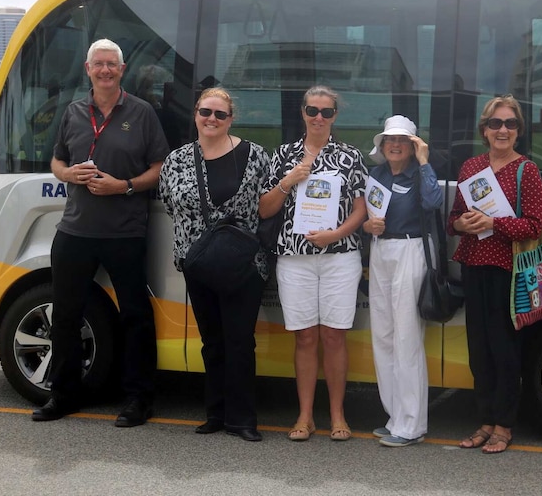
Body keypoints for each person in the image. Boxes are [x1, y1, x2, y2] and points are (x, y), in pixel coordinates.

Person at [33, 38, 170, 426]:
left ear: (122, 70)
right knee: (65, 316)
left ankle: (138, 399)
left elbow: (160, 166)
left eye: (112, 64)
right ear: (88, 69)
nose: (106, 70)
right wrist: (67, 174)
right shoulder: (74, 112)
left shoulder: (142, 113)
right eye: (99, 64)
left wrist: (123, 185)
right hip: (75, 230)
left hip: (125, 231)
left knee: (135, 317)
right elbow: (58, 160)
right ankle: (64, 394)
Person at [159, 88, 270, 442]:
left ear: (230, 119)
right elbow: (169, 203)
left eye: (220, 115)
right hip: (200, 264)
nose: (212, 119)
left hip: (243, 264)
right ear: (195, 114)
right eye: (206, 112)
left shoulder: (254, 155)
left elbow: (266, 204)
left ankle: (243, 419)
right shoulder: (176, 160)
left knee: (240, 341)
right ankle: (215, 413)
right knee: (212, 342)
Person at [259, 85, 368, 442]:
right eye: (312, 111)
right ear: (302, 113)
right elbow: (265, 209)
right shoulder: (283, 154)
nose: (318, 117)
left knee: (334, 337)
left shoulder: (350, 156)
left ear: (335, 116)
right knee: (305, 337)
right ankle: (305, 416)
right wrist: (288, 181)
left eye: (326, 112)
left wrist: (336, 234)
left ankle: (338, 415)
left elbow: (361, 209)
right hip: (294, 258)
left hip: (340, 256)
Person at [447, 95, 542, 454]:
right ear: (484, 130)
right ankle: (485, 421)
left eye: (510, 124)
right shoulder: (471, 168)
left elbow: (533, 226)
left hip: (508, 271)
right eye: (495, 124)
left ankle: (504, 425)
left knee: (504, 351)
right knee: (479, 351)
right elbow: (454, 219)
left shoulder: (526, 171)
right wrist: (462, 222)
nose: (502, 130)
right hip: (475, 266)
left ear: (518, 130)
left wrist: (493, 223)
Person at [362, 115, 443, 447]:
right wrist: (369, 228)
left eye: (402, 141)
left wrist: (424, 162)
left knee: (407, 338)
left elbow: (433, 202)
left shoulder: (419, 172)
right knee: (383, 335)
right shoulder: (376, 174)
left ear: (413, 146)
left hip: (411, 250)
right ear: (381, 145)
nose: (394, 145)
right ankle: (395, 416)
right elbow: (365, 217)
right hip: (382, 252)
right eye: (389, 140)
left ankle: (411, 425)